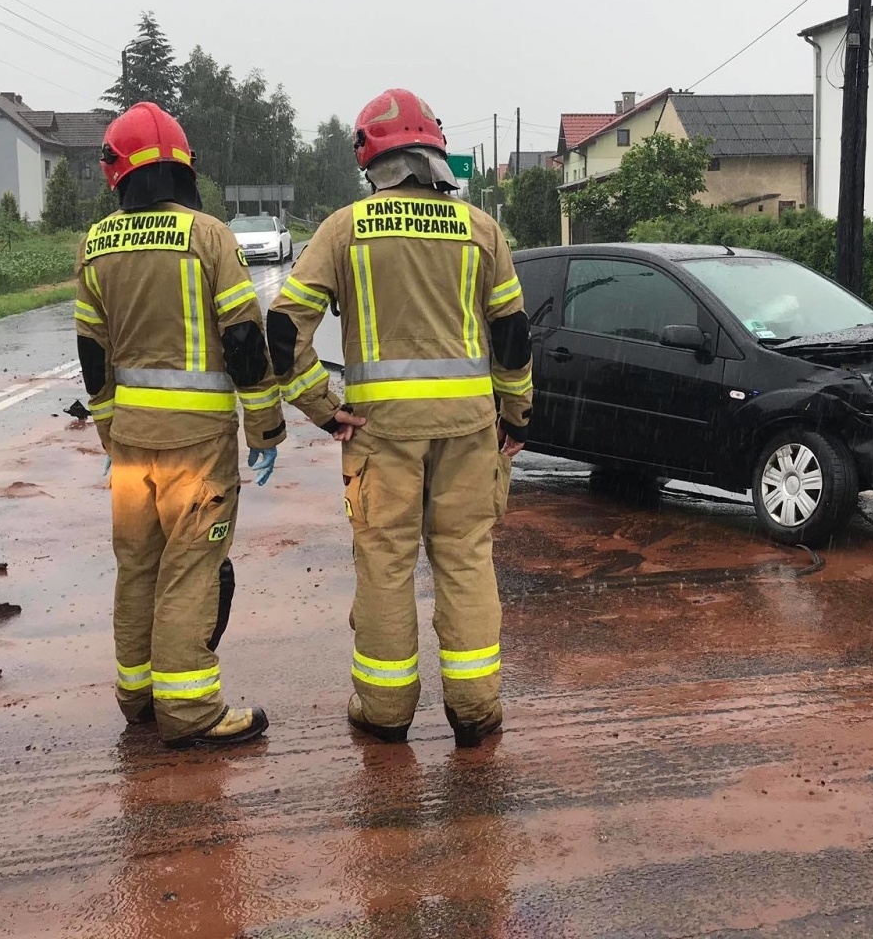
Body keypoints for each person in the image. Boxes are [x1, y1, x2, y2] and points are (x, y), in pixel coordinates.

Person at [270, 88, 534, 749]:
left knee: (385, 566)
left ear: (371, 158)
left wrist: (324, 412)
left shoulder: (344, 229)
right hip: (471, 432)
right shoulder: (481, 230)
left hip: (381, 437)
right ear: (435, 152)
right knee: (467, 561)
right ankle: (475, 710)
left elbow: (282, 333)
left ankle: (385, 713)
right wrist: (516, 417)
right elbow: (512, 338)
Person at [74, 102, 283, 749]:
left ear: (119, 173)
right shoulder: (208, 236)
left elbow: (92, 354)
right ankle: (189, 709)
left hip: (133, 444)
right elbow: (244, 339)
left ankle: (136, 695)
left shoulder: (96, 242)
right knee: (191, 570)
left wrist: (111, 433)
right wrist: (264, 428)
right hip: (197, 446)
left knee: (137, 566)